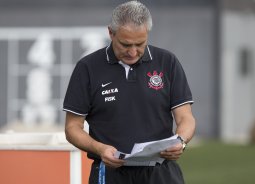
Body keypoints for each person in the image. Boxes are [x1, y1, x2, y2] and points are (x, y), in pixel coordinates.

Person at [63, 1, 196, 183]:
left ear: (148, 33)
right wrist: (100, 149)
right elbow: (72, 128)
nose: (133, 52)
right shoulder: (87, 68)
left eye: (140, 44)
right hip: (110, 173)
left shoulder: (168, 62)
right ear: (111, 33)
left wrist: (181, 141)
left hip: (161, 173)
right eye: (125, 44)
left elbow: (185, 118)